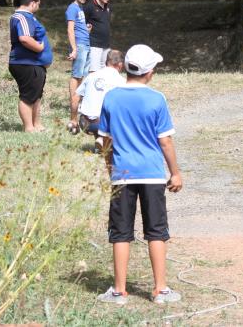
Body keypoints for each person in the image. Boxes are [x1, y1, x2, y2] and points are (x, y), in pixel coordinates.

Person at [96, 44, 183, 305]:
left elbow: (105, 142)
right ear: (149, 73)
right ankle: (161, 290)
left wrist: (110, 168)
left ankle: (119, 291)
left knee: (120, 232)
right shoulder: (157, 99)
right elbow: (165, 141)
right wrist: (175, 173)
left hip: (122, 174)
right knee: (156, 231)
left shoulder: (111, 97)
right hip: (153, 175)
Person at [8, 0, 53, 132]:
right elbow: (25, 38)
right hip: (25, 63)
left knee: (36, 95)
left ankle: (36, 124)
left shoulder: (27, 17)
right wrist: (39, 49)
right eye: (38, 4)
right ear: (33, 3)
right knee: (28, 96)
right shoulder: (22, 17)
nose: (38, 8)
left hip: (34, 64)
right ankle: (29, 127)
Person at [75, 49, 125, 149]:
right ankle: (103, 137)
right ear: (120, 64)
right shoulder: (121, 81)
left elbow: (75, 97)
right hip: (103, 124)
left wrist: (72, 119)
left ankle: (101, 140)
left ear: (106, 62)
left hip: (84, 122)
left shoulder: (91, 76)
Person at [66, 0, 91, 133]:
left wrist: (86, 29)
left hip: (86, 44)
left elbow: (78, 27)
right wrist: (74, 48)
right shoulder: (72, 8)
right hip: (80, 46)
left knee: (84, 75)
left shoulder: (80, 9)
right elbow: (70, 29)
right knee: (76, 75)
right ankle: (74, 100)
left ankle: (79, 100)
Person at [83, 0, 112, 72]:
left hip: (106, 45)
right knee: (94, 72)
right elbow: (82, 24)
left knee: (105, 71)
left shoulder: (108, 6)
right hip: (94, 45)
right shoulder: (89, 6)